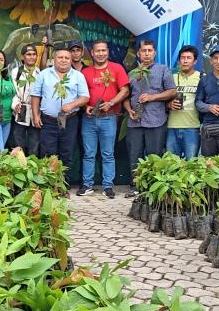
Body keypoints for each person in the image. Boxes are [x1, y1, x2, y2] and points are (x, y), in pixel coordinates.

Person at [123, 40, 176, 197]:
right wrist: (129, 110)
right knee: (135, 155)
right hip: (135, 121)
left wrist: (153, 97)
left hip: (155, 120)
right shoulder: (132, 73)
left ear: (155, 53)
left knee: (154, 155)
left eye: (150, 50)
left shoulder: (162, 70)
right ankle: (135, 186)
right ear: (138, 53)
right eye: (144, 50)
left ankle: (153, 187)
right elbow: (125, 95)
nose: (146, 53)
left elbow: (172, 91)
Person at [31, 47, 90, 188]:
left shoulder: (77, 76)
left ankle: (64, 186)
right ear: (54, 59)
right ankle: (48, 185)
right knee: (48, 153)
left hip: (70, 120)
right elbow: (35, 95)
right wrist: (35, 115)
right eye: (60, 57)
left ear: (71, 60)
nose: (64, 60)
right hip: (48, 120)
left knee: (67, 153)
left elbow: (85, 97)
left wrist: (72, 105)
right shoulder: (44, 74)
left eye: (67, 58)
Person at [78, 40, 129, 198]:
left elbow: (125, 90)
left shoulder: (116, 68)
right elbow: (80, 95)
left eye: (103, 50)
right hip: (89, 118)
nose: (100, 53)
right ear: (92, 53)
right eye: (97, 51)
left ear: (108, 52)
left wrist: (112, 102)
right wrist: (84, 106)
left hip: (109, 118)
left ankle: (108, 186)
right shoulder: (85, 72)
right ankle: (87, 185)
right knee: (89, 153)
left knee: (108, 153)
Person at [166, 45, 202, 160]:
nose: (185, 61)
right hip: (172, 126)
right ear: (179, 60)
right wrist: (169, 104)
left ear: (195, 61)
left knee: (191, 165)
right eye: (182, 58)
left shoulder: (202, 78)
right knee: (171, 165)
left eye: (189, 58)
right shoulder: (171, 77)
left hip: (193, 127)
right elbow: (162, 100)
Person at [11, 44, 41, 155]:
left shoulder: (40, 74)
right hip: (21, 109)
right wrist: (15, 105)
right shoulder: (16, 72)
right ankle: (19, 169)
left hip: (35, 112)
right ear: (22, 57)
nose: (32, 57)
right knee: (19, 144)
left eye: (34, 54)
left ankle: (33, 169)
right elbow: (13, 92)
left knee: (34, 145)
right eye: (28, 54)